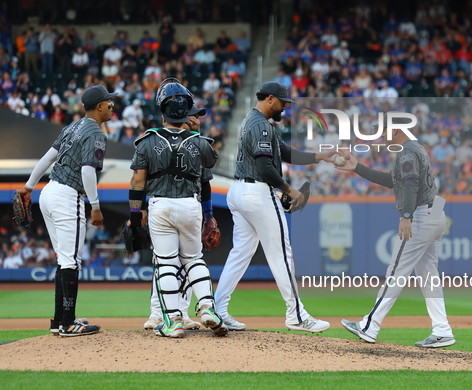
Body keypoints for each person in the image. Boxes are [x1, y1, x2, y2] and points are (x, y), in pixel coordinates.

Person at [214, 81, 335, 333]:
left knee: (240, 253)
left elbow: (285, 153)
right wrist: (288, 190)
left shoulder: (252, 120)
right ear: (270, 99)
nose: (284, 107)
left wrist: (317, 157)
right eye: (282, 102)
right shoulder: (261, 126)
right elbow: (265, 167)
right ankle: (297, 315)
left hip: (239, 192)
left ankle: (218, 310)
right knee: (282, 253)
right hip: (258, 193)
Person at [337, 115, 455, 347]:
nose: (382, 134)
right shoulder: (415, 147)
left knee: (396, 271)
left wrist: (406, 216)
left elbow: (410, 184)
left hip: (421, 214)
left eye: (385, 129)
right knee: (428, 275)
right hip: (436, 210)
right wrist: (357, 168)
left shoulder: (407, 151)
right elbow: (394, 180)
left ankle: (370, 326)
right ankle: (442, 330)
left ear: (398, 130)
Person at [16, 84, 117, 337]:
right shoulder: (96, 131)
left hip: (49, 192)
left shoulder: (71, 127)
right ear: (100, 106)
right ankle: (69, 323)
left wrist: (29, 186)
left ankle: (60, 320)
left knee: (64, 258)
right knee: (72, 260)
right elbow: (87, 170)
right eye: (109, 102)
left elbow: (48, 158)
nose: (112, 106)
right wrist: (95, 206)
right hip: (68, 195)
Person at [128, 81, 225, 338]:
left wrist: (135, 216)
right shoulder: (199, 141)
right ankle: (208, 309)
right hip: (190, 205)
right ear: (185, 114)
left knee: (166, 264)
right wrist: (196, 133)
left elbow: (137, 183)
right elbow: (212, 160)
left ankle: (172, 321)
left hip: (160, 205)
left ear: (163, 112)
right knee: (194, 259)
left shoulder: (146, 141)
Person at [142, 104, 210, 332]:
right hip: (175, 205)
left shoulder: (195, 142)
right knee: (167, 262)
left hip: (185, 204)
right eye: (194, 115)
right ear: (181, 116)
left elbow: (205, 183)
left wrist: (209, 215)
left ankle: (181, 313)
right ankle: (156, 313)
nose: (196, 119)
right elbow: (148, 178)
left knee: (182, 263)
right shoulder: (164, 141)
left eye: (199, 116)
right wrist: (141, 209)